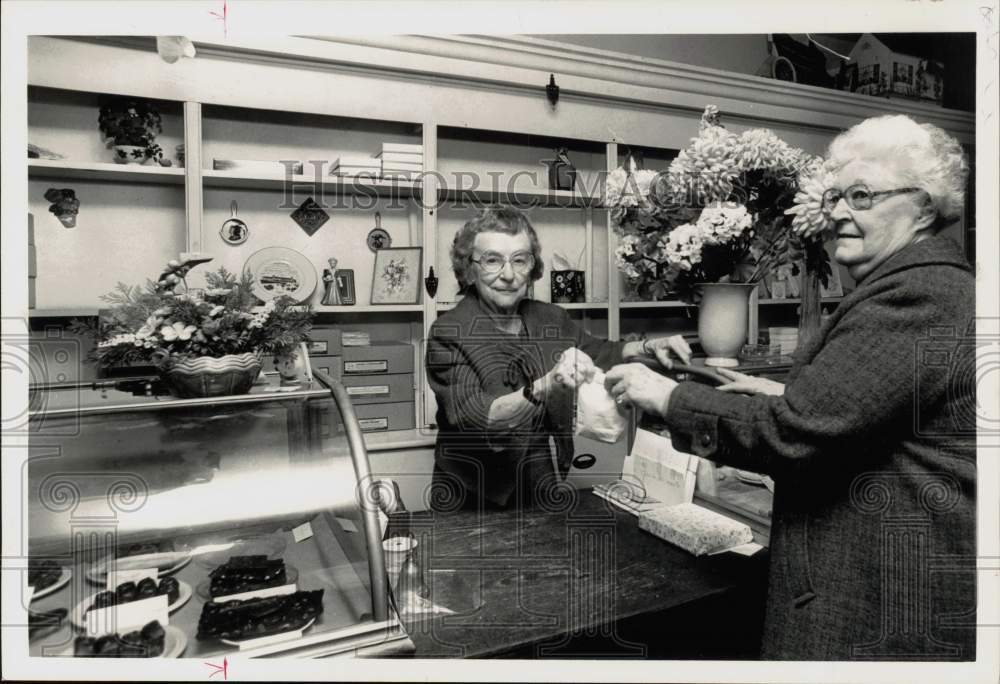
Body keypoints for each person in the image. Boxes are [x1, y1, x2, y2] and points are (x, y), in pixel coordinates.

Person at [605, 114, 975, 660]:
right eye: (835, 198)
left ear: (923, 206)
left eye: (863, 196)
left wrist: (666, 397)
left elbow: (797, 434)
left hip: (879, 603)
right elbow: (869, 413)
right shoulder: (922, 285)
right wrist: (773, 391)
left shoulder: (917, 296)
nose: (840, 214)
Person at [425, 205, 688, 510]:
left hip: (542, 483)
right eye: (492, 261)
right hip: (473, 497)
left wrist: (647, 347)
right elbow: (481, 419)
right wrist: (548, 384)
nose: (508, 275)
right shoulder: (448, 332)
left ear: (532, 267)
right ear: (470, 269)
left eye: (520, 260)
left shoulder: (550, 318)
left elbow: (601, 352)